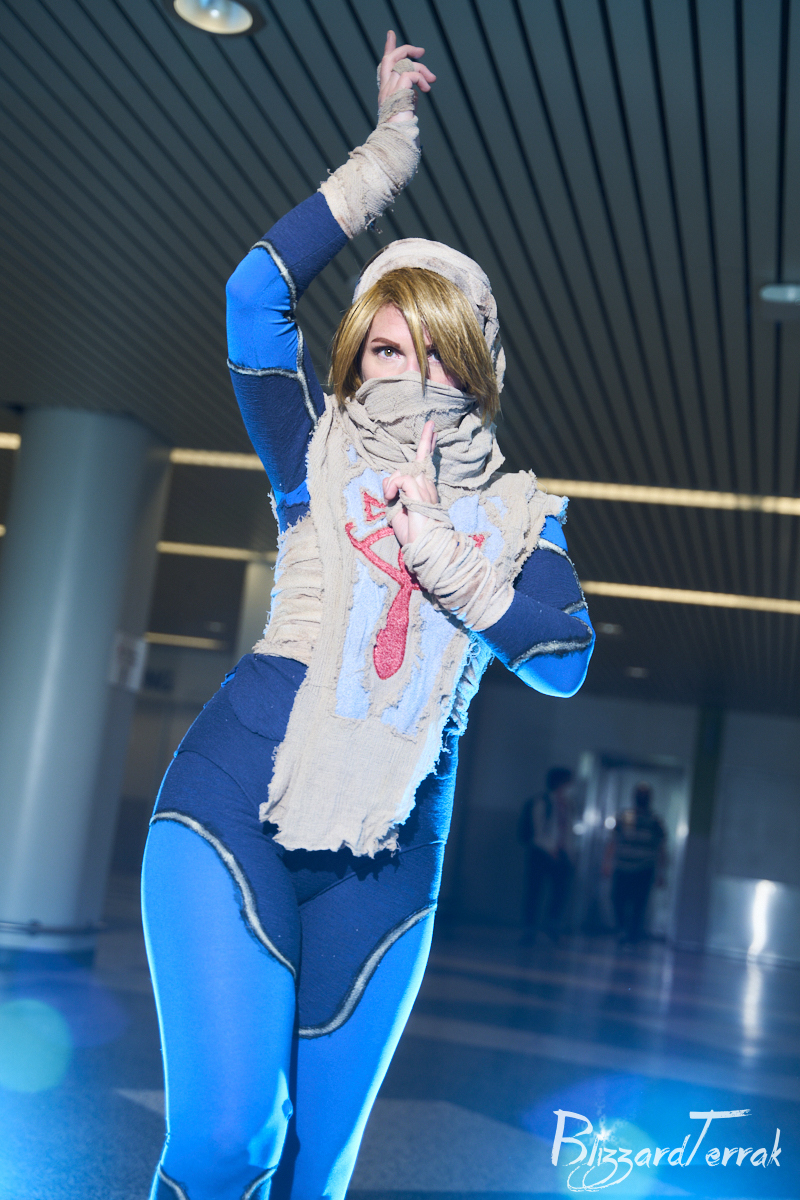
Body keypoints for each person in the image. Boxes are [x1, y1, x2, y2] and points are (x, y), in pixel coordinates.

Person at [141, 32, 595, 1200]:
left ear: (475, 370)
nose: (404, 372)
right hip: (235, 802)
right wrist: (388, 152)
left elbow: (559, 657)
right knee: (228, 1144)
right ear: (352, 359)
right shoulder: (314, 445)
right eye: (383, 346)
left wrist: (450, 560)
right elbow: (252, 295)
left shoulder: (521, 517)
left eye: (433, 352)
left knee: (314, 1174)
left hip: (391, 866)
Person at [517, 767, 575, 943]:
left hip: (562, 855)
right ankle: (529, 929)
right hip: (540, 853)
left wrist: (569, 853)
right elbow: (537, 831)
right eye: (568, 783)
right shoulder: (541, 802)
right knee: (534, 892)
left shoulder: (568, 805)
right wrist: (551, 849)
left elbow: (568, 832)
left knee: (559, 893)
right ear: (560, 783)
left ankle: (552, 925)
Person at [603, 783, 666, 943]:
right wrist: (606, 863)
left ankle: (632, 935)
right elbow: (613, 841)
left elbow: (660, 848)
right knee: (617, 899)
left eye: (645, 795)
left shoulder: (655, 821)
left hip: (644, 868)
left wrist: (661, 873)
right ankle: (621, 928)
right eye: (640, 794)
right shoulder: (624, 816)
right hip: (622, 866)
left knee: (639, 904)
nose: (642, 797)